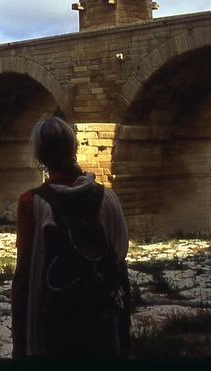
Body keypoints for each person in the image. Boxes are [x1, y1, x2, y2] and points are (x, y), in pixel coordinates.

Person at [11, 115, 132, 358]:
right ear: (74, 148)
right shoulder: (108, 198)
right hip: (101, 319)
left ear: (40, 157)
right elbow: (119, 256)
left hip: (52, 323)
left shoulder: (32, 202)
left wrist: (21, 340)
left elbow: (24, 274)